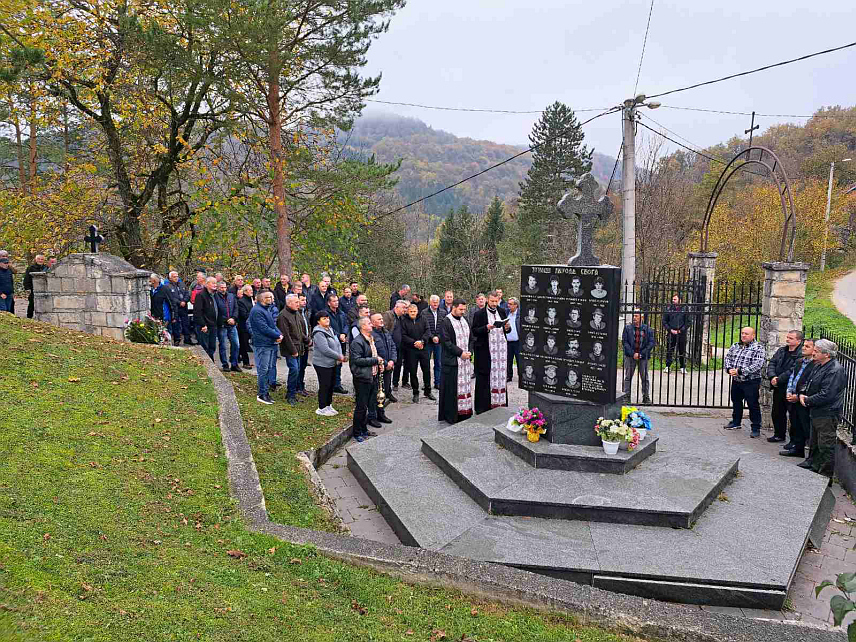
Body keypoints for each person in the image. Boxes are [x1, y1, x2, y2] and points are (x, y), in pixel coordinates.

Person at [798, 338, 847, 477]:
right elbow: (809, 382)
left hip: (827, 413)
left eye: (816, 351)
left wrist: (807, 400)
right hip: (817, 411)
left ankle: (825, 476)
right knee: (815, 441)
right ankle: (814, 465)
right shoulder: (819, 365)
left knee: (826, 445)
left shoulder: (835, 370)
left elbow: (827, 394)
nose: (813, 353)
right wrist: (802, 393)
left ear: (827, 354)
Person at [471, 291, 510, 414]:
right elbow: (474, 331)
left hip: (500, 352)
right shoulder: (479, 314)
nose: (494, 304)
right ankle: (483, 407)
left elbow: (506, 330)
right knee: (484, 378)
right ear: (488, 300)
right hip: (485, 351)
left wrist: (507, 328)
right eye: (492, 301)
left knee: (500, 377)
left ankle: (500, 403)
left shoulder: (502, 311)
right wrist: (486, 328)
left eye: (496, 301)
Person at [723, 326, 765, 437]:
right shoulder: (736, 346)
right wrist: (729, 369)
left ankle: (755, 428)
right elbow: (728, 358)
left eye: (746, 333)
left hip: (750, 381)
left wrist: (740, 371)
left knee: (752, 404)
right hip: (737, 380)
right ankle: (736, 422)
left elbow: (758, 365)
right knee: (736, 401)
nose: (743, 335)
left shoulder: (758, 348)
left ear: (753, 335)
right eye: (742, 333)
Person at [437, 298, 474, 423]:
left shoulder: (465, 320)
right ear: (454, 308)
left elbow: (471, 338)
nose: (463, 312)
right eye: (461, 309)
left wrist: (469, 351)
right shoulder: (446, 322)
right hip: (452, 361)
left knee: (465, 388)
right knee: (452, 390)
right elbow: (446, 342)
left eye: (464, 309)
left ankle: (465, 413)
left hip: (465, 361)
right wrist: (460, 353)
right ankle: (452, 415)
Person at [766, 330, 804, 444]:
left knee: (793, 416)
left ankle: (794, 441)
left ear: (798, 340)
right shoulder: (782, 350)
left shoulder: (800, 354)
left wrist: (779, 379)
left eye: (791, 338)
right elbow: (772, 363)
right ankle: (779, 434)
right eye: (787, 337)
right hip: (778, 387)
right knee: (777, 412)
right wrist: (772, 376)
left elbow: (793, 370)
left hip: (790, 389)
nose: (787, 339)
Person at [349, 317, 384, 441]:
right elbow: (357, 360)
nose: (371, 325)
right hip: (362, 378)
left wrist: (379, 364)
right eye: (369, 323)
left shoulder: (370, 339)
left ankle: (364, 429)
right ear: (363, 326)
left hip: (372, 376)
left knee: (369, 405)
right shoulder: (357, 342)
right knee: (361, 406)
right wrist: (375, 360)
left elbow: (373, 355)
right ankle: (357, 432)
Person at [783, 338, 815, 459]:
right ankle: (797, 448)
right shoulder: (800, 361)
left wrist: (798, 395)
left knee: (805, 426)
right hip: (793, 396)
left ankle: (807, 452)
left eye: (807, 346)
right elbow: (792, 377)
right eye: (804, 346)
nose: (803, 348)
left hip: (802, 399)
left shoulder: (815, 364)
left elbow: (809, 382)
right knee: (795, 423)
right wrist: (789, 391)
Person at [248, 290, 283, 404]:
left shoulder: (266, 309)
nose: (272, 299)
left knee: (268, 369)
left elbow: (272, 325)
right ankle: (261, 394)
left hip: (269, 343)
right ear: (262, 299)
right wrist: (277, 335)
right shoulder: (257, 311)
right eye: (269, 297)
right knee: (263, 370)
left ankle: (266, 392)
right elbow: (263, 328)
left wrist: (279, 334)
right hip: (262, 344)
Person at [311, 309, 346, 417]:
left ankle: (328, 405)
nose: (327, 320)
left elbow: (337, 344)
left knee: (331, 385)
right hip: (322, 363)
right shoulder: (318, 332)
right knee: (325, 385)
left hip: (332, 363)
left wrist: (339, 357)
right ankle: (321, 407)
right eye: (324, 318)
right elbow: (325, 349)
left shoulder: (330, 329)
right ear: (318, 321)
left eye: (327, 318)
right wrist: (339, 356)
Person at [276, 293, 306, 405]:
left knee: (297, 370)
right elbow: (286, 336)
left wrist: (306, 339)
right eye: (296, 302)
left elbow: (299, 330)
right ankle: (290, 395)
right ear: (289, 303)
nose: (299, 304)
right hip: (290, 349)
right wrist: (293, 351)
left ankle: (292, 392)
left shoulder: (296, 313)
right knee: (294, 370)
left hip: (299, 346)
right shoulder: (283, 316)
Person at [401, 302, 434, 403]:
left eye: (414, 311)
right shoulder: (404, 321)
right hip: (411, 350)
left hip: (423, 348)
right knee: (413, 372)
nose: (413, 313)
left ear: (417, 311)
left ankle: (428, 391)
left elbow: (428, 331)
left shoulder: (423, 319)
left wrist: (422, 341)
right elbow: (403, 335)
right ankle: (415, 392)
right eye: (411, 311)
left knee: (427, 370)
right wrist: (414, 342)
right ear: (408, 311)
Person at [622, 312, 654, 404]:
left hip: (643, 357)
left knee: (644, 378)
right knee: (628, 377)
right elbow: (625, 342)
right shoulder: (628, 328)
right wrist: (633, 354)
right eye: (633, 316)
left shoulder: (648, 329)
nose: (634, 317)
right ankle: (626, 397)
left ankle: (646, 397)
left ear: (641, 317)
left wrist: (641, 354)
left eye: (636, 316)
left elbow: (651, 343)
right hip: (630, 356)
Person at [369, 313, 395, 423]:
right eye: (378, 319)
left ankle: (381, 413)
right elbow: (373, 353)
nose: (381, 321)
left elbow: (393, 346)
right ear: (373, 323)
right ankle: (373, 416)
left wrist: (392, 361)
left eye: (381, 319)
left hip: (388, 367)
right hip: (379, 367)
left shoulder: (386, 332)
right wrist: (385, 363)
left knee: (384, 392)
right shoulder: (371, 335)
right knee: (376, 393)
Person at [325, 294, 349, 394]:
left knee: (339, 363)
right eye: (334, 301)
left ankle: (337, 385)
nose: (336, 303)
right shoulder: (325, 314)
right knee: (330, 364)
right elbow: (328, 327)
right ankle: (329, 385)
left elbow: (346, 324)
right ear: (329, 303)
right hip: (331, 341)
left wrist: (344, 333)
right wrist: (339, 335)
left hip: (341, 342)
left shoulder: (341, 313)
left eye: (337, 301)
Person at [422, 295, 446, 390]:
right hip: (428, 342)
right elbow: (424, 327)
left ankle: (438, 382)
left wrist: (439, 337)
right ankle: (426, 383)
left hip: (439, 342)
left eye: (437, 302)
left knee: (438, 363)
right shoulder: (424, 312)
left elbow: (444, 327)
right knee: (426, 363)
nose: (435, 303)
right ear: (430, 302)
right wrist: (432, 337)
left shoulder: (443, 313)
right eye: (433, 302)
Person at [383, 300, 408, 394]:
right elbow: (384, 330)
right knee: (389, 367)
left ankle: (395, 384)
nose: (405, 310)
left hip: (400, 346)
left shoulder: (401, 318)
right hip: (390, 346)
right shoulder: (388, 315)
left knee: (398, 365)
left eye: (406, 308)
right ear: (396, 307)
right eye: (403, 308)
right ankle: (386, 389)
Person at [216, 281, 240, 373]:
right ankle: (225, 364)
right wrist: (226, 320)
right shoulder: (215, 297)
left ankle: (234, 363)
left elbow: (236, 308)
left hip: (232, 324)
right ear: (218, 288)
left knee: (236, 344)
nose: (223, 289)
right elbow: (216, 311)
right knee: (223, 345)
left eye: (225, 287)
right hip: (222, 324)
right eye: (221, 287)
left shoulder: (231, 296)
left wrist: (233, 318)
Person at [164, 271, 193, 346]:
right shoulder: (167, 286)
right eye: (174, 276)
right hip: (175, 308)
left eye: (177, 276)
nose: (176, 278)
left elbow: (187, 293)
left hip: (184, 307)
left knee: (186, 323)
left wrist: (184, 301)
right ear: (170, 278)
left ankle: (187, 339)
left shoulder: (182, 284)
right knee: (176, 324)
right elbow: (171, 297)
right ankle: (177, 340)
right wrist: (179, 302)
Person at [663, 294, 688, 374]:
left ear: (680, 300)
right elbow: (664, 321)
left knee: (682, 350)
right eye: (673, 299)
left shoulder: (685, 308)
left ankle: (682, 367)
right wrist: (670, 330)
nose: (673, 301)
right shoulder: (669, 308)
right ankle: (667, 366)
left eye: (675, 299)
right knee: (670, 350)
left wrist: (681, 330)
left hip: (681, 333)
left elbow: (688, 322)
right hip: (671, 332)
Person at [296, 293, 311, 396]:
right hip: (299, 344)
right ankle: (297, 387)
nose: (304, 302)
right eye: (302, 300)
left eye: (305, 300)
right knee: (299, 366)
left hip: (306, 344)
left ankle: (301, 385)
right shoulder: (296, 314)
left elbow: (308, 326)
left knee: (303, 366)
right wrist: (307, 339)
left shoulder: (304, 312)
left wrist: (310, 337)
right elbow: (298, 330)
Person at [23, 254, 47, 318]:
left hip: (43, 288)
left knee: (42, 304)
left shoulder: (46, 268)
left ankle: (41, 317)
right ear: (35, 260)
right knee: (32, 304)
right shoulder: (30, 268)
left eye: (42, 259)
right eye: (38, 259)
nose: (40, 260)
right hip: (32, 288)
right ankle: (29, 317)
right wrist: (27, 288)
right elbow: (26, 279)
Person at [236, 284, 254, 369]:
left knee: (244, 344)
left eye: (252, 290)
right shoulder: (241, 301)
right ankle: (245, 362)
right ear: (245, 292)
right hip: (243, 326)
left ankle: (236, 357)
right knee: (243, 344)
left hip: (251, 325)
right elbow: (244, 314)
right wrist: (255, 314)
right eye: (250, 290)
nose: (252, 291)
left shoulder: (251, 300)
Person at [505, 298, 521, 382]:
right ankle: (509, 376)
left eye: (511, 304)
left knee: (519, 360)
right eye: (508, 304)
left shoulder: (520, 315)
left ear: (516, 305)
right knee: (508, 360)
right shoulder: (506, 313)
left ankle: (521, 376)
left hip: (518, 342)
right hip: (508, 342)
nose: (509, 306)